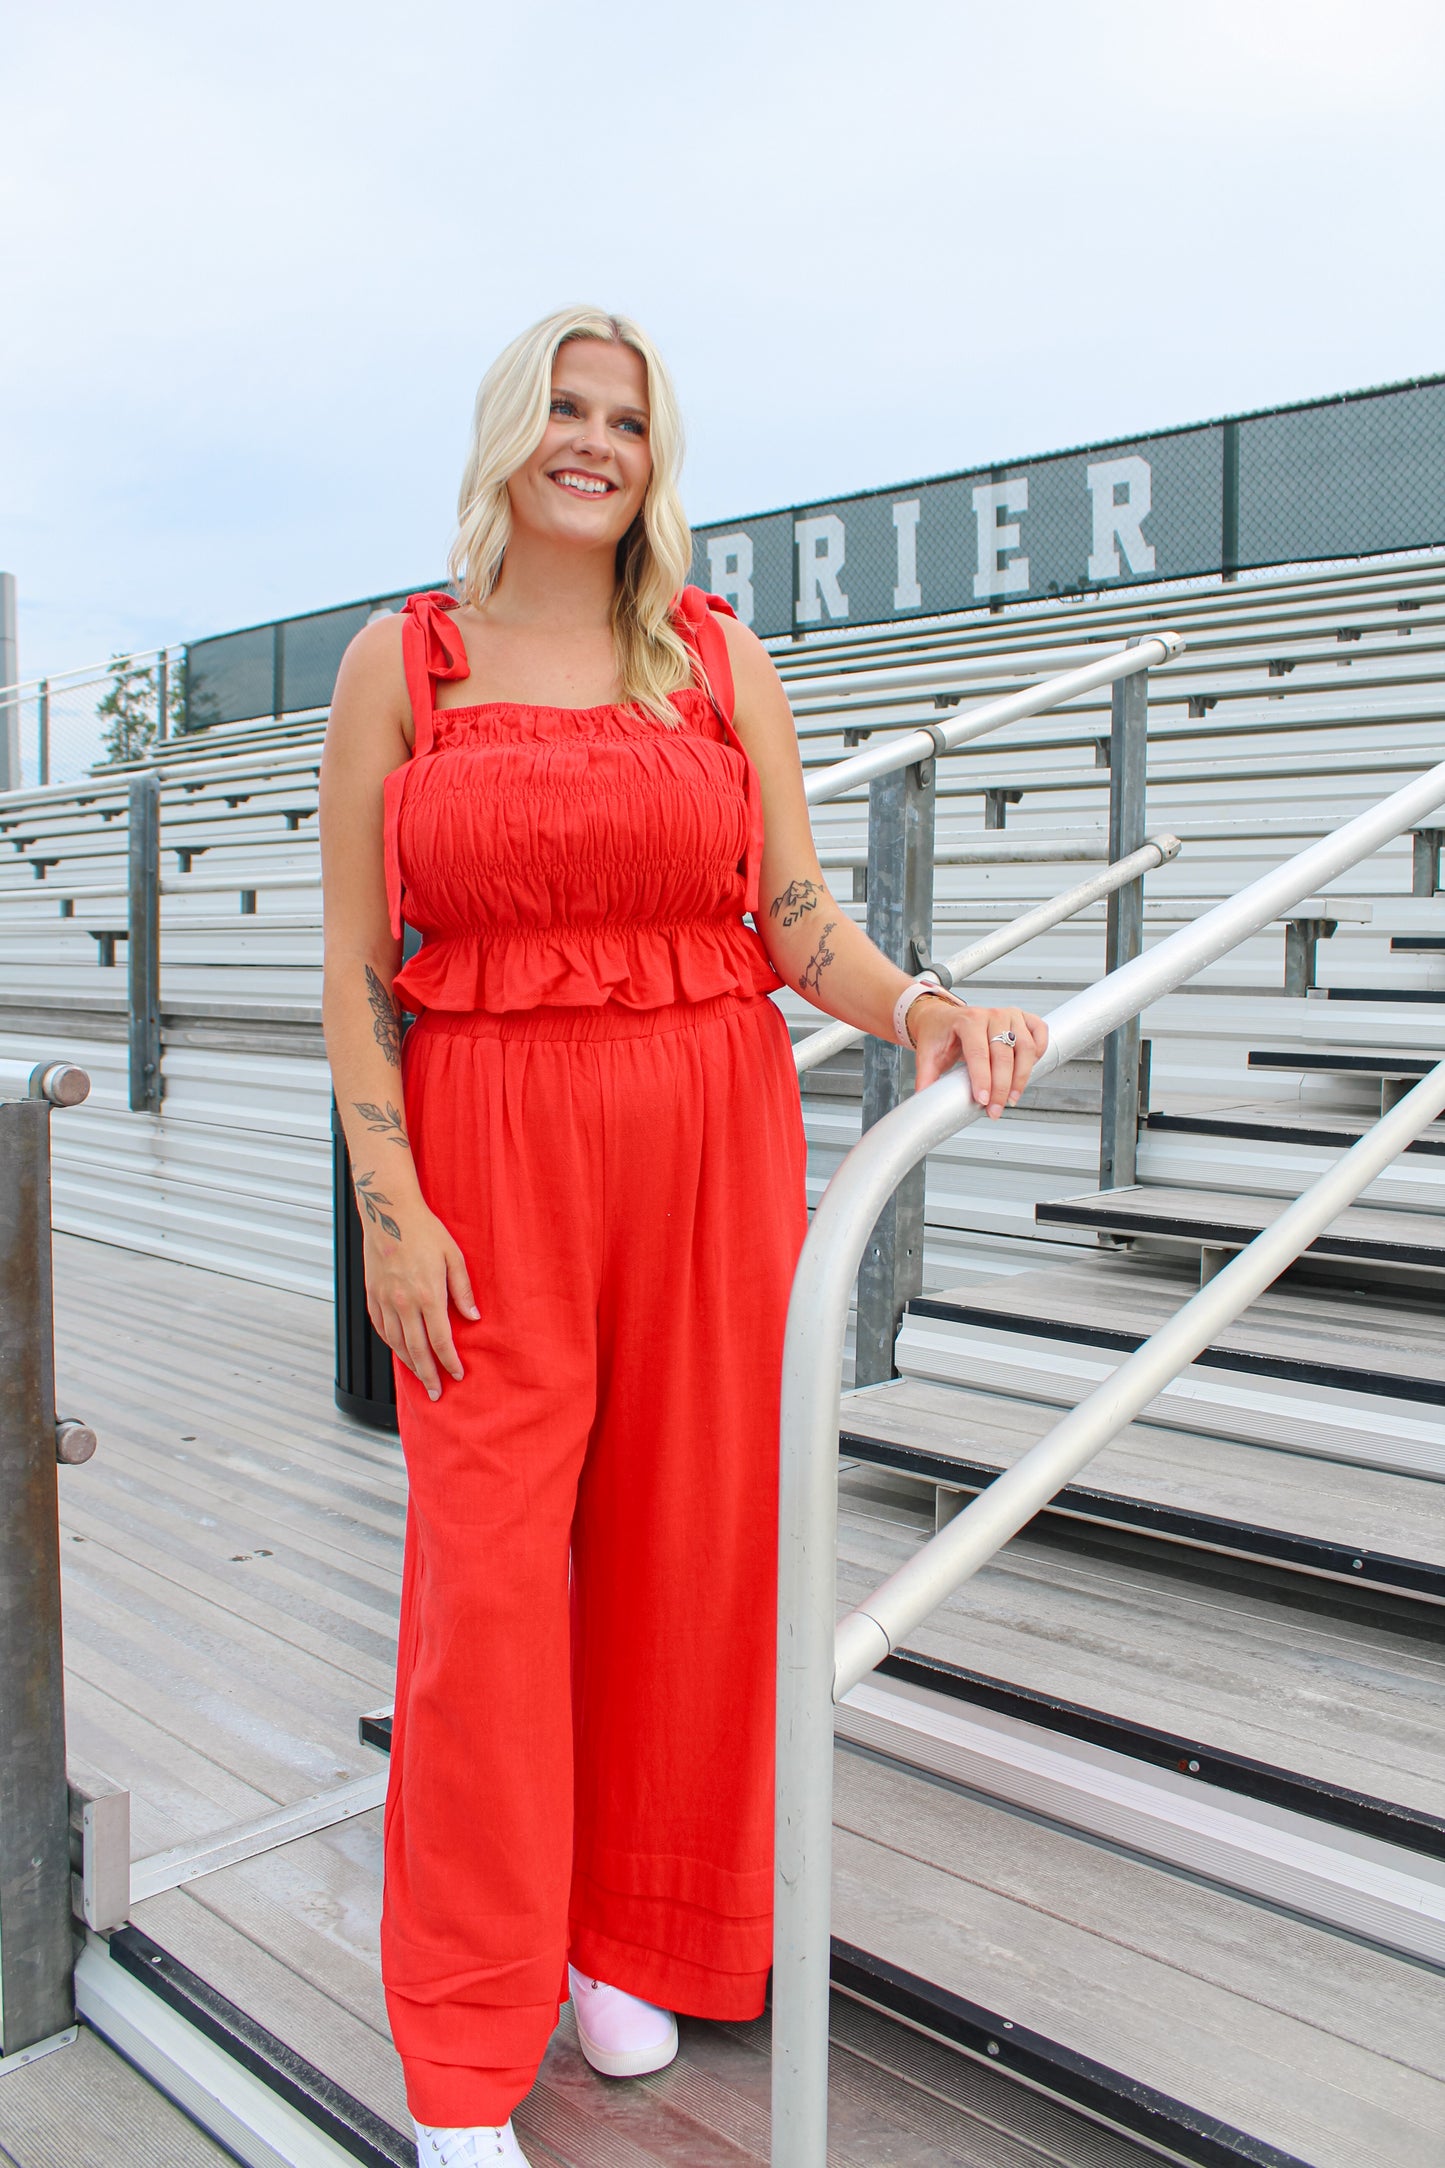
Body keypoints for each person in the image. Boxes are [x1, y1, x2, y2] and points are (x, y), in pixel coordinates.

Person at [319, 305, 1047, 2166]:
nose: (593, 442)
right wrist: (391, 1208)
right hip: (487, 1171)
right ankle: (466, 2050)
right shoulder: (401, 663)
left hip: (711, 1143)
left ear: (657, 454)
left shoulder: (715, 656)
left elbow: (794, 911)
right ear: (510, 434)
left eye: (624, 420)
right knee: (483, 1597)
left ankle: (622, 1942)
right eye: (564, 411)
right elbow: (351, 982)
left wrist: (923, 1010)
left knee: (683, 1562)